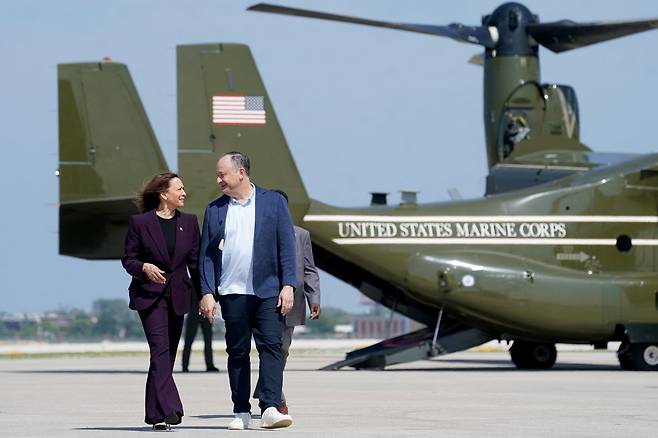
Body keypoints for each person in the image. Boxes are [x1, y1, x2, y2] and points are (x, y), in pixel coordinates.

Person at [198, 151, 295, 430]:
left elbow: (286, 247)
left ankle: (270, 408)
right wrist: (207, 291)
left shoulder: (273, 203)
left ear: (241, 173)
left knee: (271, 348)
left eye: (222, 174)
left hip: (268, 291)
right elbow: (206, 255)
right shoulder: (215, 210)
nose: (218, 180)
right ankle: (241, 410)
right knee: (237, 352)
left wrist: (288, 285)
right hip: (232, 292)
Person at [121, 172, 200, 431]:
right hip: (150, 297)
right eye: (179, 188)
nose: (184, 193)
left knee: (165, 357)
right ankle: (170, 408)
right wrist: (143, 267)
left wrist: (207, 295)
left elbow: (195, 264)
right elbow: (128, 259)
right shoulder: (140, 223)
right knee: (160, 351)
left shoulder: (189, 223)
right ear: (164, 194)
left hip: (178, 296)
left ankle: (155, 416)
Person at [253, 190, 321, 415]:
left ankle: (267, 390)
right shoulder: (256, 233)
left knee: (281, 349)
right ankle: (274, 398)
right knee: (268, 348)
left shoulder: (300, 235)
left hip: (291, 303)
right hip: (262, 300)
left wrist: (314, 298)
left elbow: (310, 269)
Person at [181, 287, 219, 373]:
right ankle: (185, 365)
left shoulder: (203, 283)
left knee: (207, 341)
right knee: (189, 341)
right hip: (194, 313)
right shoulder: (196, 282)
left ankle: (209, 365)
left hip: (203, 313)